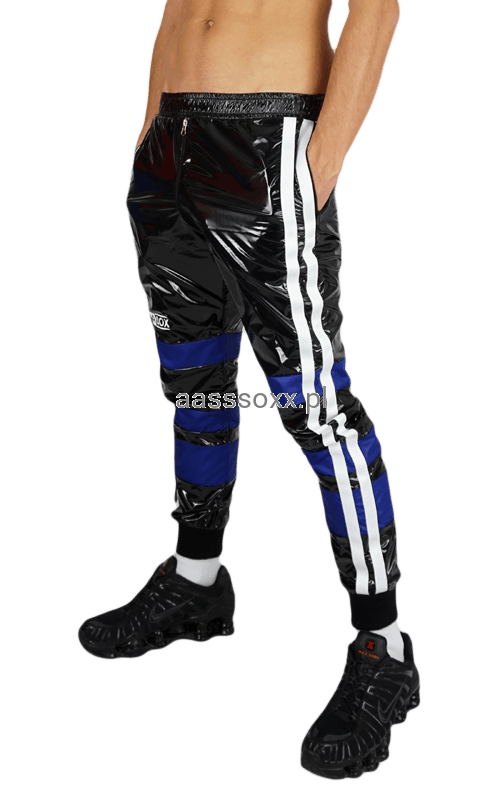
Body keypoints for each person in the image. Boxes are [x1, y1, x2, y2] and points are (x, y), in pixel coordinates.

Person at [77, 0, 420, 781]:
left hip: (270, 139)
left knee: (318, 408)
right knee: (195, 384)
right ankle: (196, 580)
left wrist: (318, 163)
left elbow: (377, 9)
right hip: (169, 147)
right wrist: (150, 130)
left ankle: (385, 645)